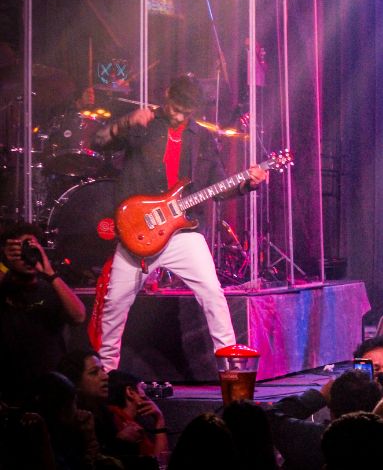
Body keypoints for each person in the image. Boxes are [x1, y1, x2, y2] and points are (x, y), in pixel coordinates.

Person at [91, 74, 267, 370]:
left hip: (183, 231)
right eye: (175, 109)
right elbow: (98, 142)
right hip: (140, 229)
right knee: (115, 304)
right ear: (167, 95)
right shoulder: (144, 124)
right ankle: (106, 373)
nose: (178, 117)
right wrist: (125, 124)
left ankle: (231, 367)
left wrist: (247, 183)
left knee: (212, 293)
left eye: (185, 113)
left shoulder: (202, 139)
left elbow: (217, 187)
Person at [1, 221, 86, 405]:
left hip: (52, 387)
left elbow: (78, 316)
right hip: (12, 387)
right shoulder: (5, 287)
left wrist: (50, 273)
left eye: (32, 249)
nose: (27, 256)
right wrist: (5, 263)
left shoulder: (51, 288)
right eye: (21, 250)